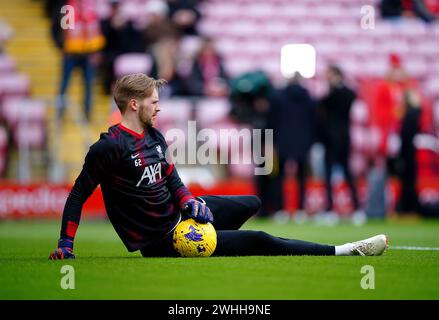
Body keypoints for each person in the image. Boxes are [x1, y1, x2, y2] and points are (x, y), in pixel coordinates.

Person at [48, 73, 388, 260]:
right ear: (134, 104)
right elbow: (78, 194)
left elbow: (173, 180)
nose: (159, 108)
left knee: (252, 204)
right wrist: (66, 243)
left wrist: (188, 201)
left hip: (180, 215)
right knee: (259, 239)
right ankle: (345, 251)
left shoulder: (154, 137)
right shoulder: (108, 147)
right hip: (164, 240)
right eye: (154, 102)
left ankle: (222, 245)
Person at [268, 73, 316, 218]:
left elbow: (273, 120)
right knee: (302, 176)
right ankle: (300, 209)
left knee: (280, 177)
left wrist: (273, 140)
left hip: (283, 140)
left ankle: (280, 209)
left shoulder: (278, 96)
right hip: (302, 141)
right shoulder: (308, 97)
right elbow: (313, 120)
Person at [318, 65, 362, 222]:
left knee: (347, 173)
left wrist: (336, 87)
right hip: (331, 139)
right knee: (329, 174)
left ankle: (356, 207)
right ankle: (330, 208)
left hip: (341, 138)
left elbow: (348, 97)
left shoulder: (342, 92)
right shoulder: (331, 93)